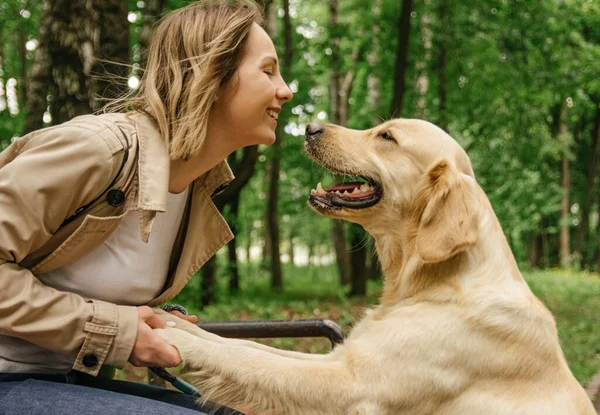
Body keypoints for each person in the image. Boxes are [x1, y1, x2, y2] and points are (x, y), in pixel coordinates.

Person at [0, 0, 292, 413]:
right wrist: (115, 331)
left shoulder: (193, 187)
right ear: (213, 74)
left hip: (69, 381)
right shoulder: (98, 151)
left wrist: (144, 319)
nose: (286, 89)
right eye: (268, 70)